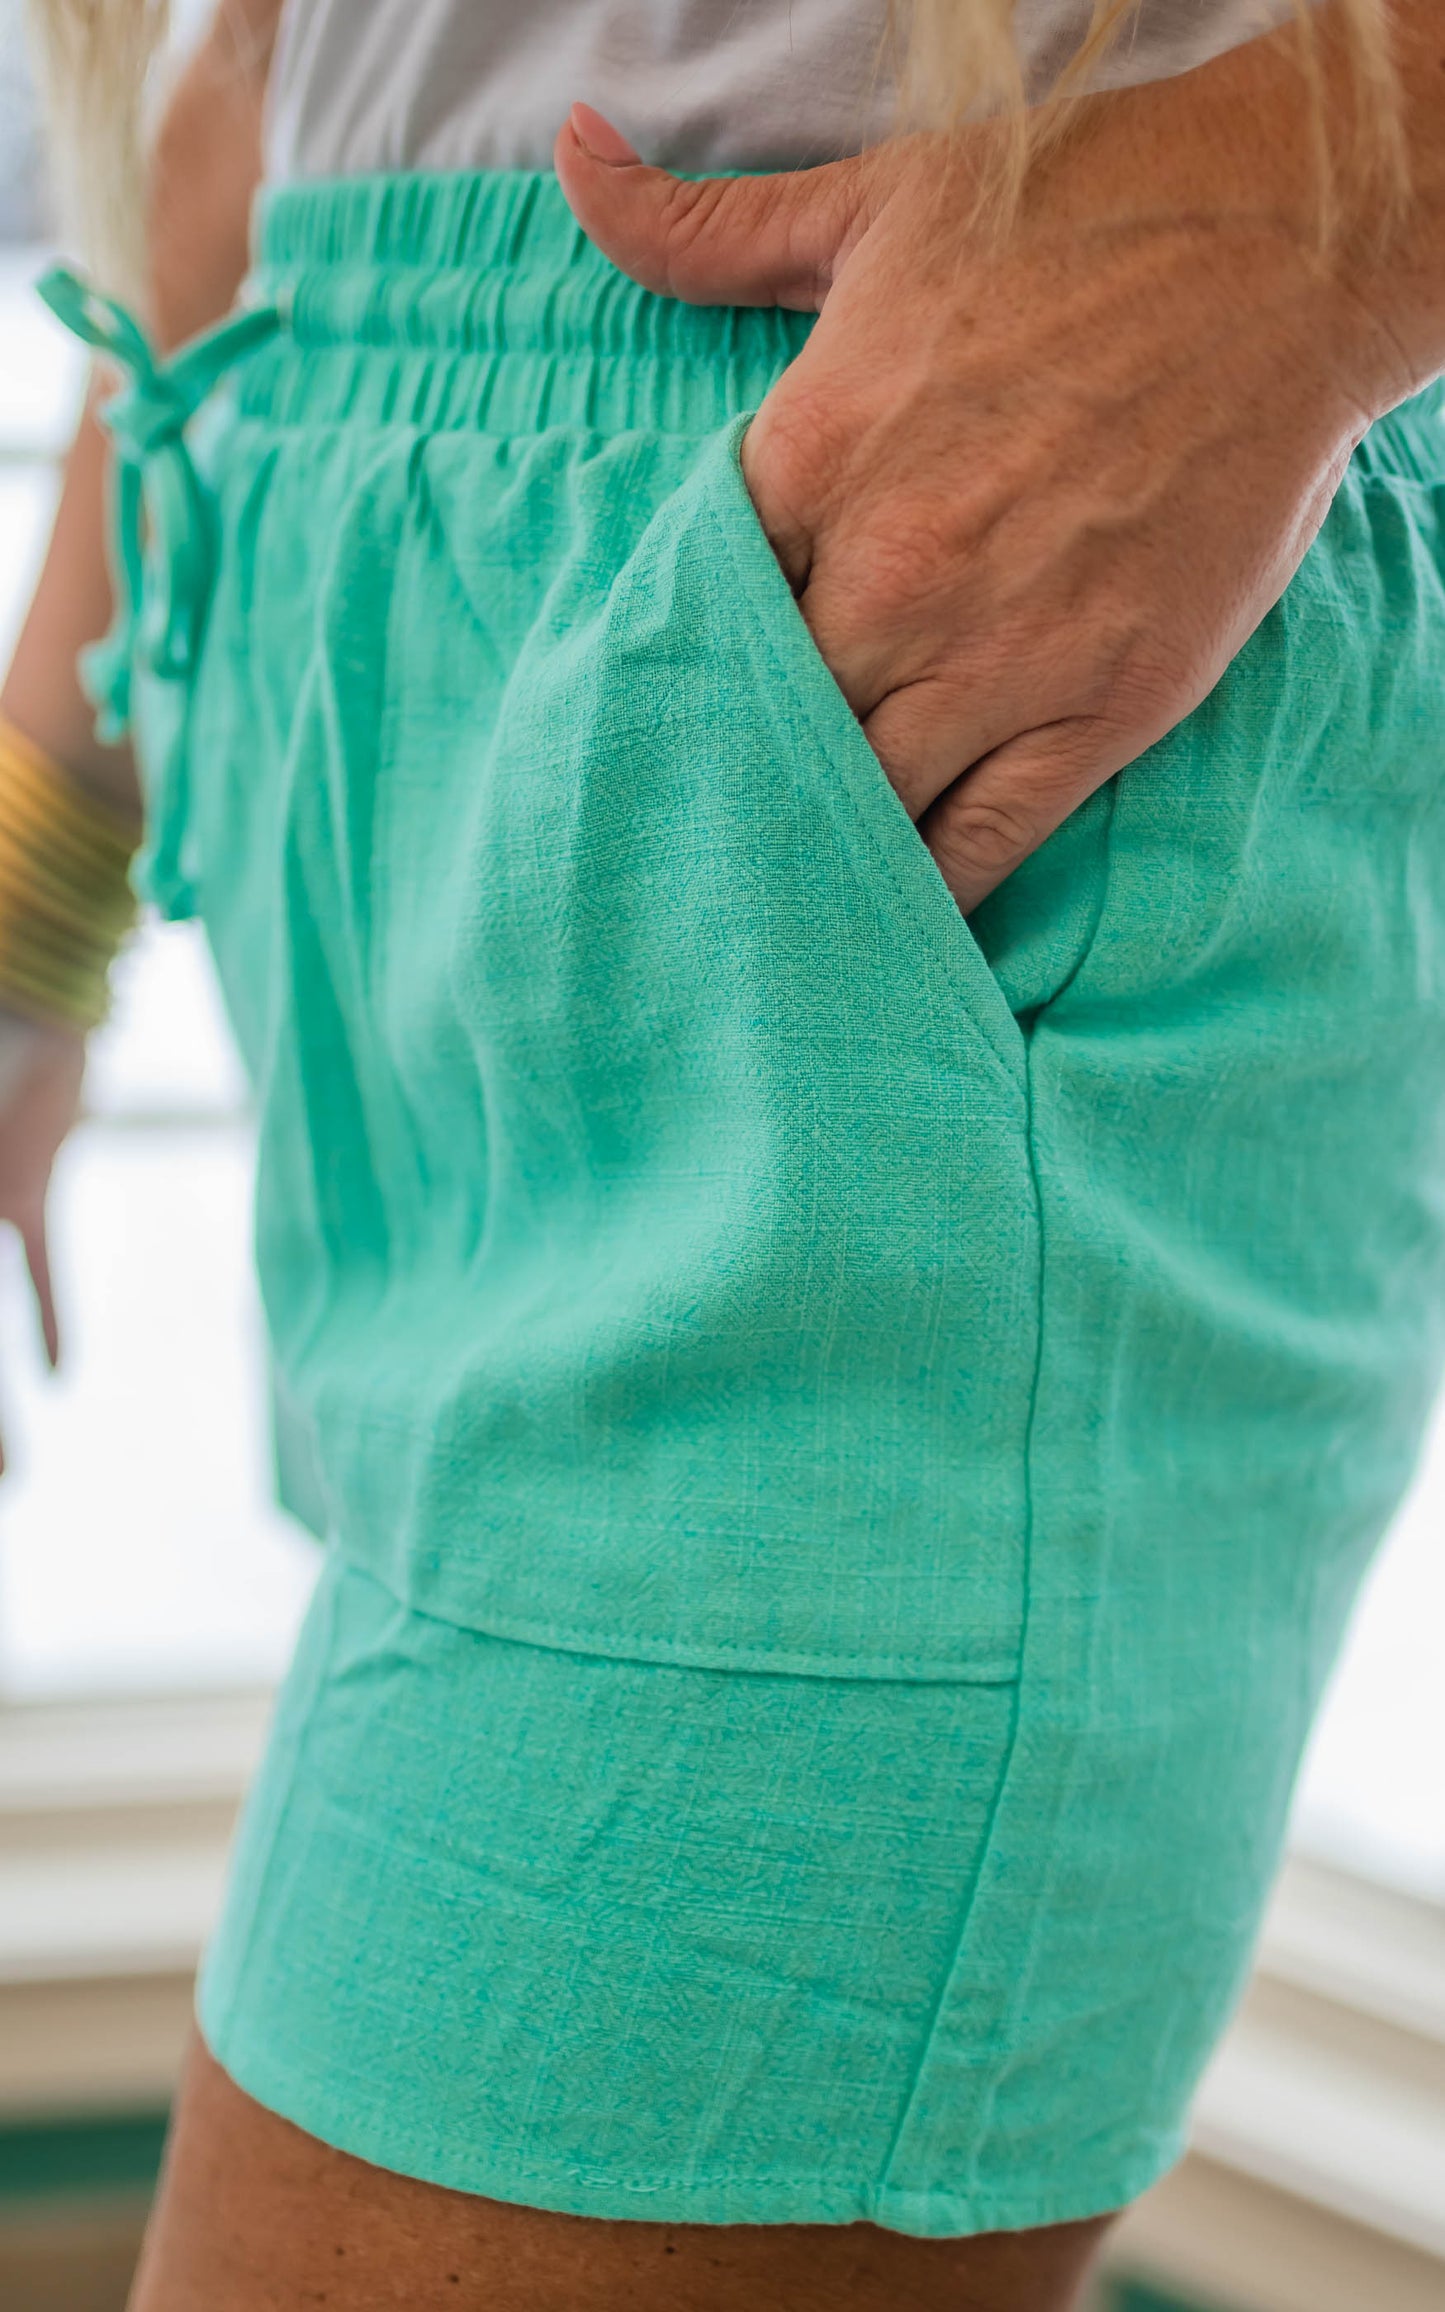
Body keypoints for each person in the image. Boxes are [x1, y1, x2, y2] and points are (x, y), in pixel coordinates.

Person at [3, 2, 1445, 2305]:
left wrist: (1337, 198)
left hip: (899, 749)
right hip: (412, 730)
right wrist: (33, 887)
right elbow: (248, 92)